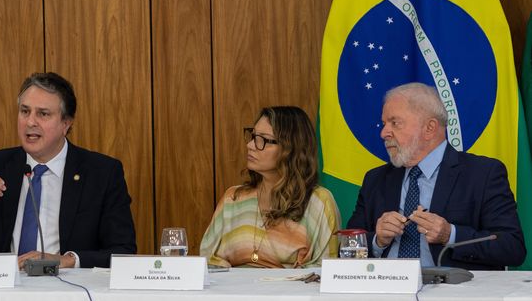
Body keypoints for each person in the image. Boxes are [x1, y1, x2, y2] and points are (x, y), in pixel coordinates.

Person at [0, 72, 136, 268]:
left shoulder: (101, 173)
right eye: (25, 111)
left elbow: (123, 251)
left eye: (43, 114)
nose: (30, 122)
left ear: (66, 123)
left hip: (68, 292)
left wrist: (67, 260)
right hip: (6, 292)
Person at [347, 82, 526, 269]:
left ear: (430, 128)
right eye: (384, 124)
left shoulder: (483, 174)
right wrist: (378, 240)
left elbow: (512, 248)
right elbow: (347, 248)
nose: (384, 133)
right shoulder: (375, 180)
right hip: (386, 292)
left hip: (454, 294)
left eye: (395, 123)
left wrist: (450, 235)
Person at [200, 106, 340, 268]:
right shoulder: (233, 198)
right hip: (233, 292)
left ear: (290, 149)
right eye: (253, 136)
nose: (250, 145)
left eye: (263, 140)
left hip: (293, 292)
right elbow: (207, 262)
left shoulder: (318, 202)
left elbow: (327, 271)